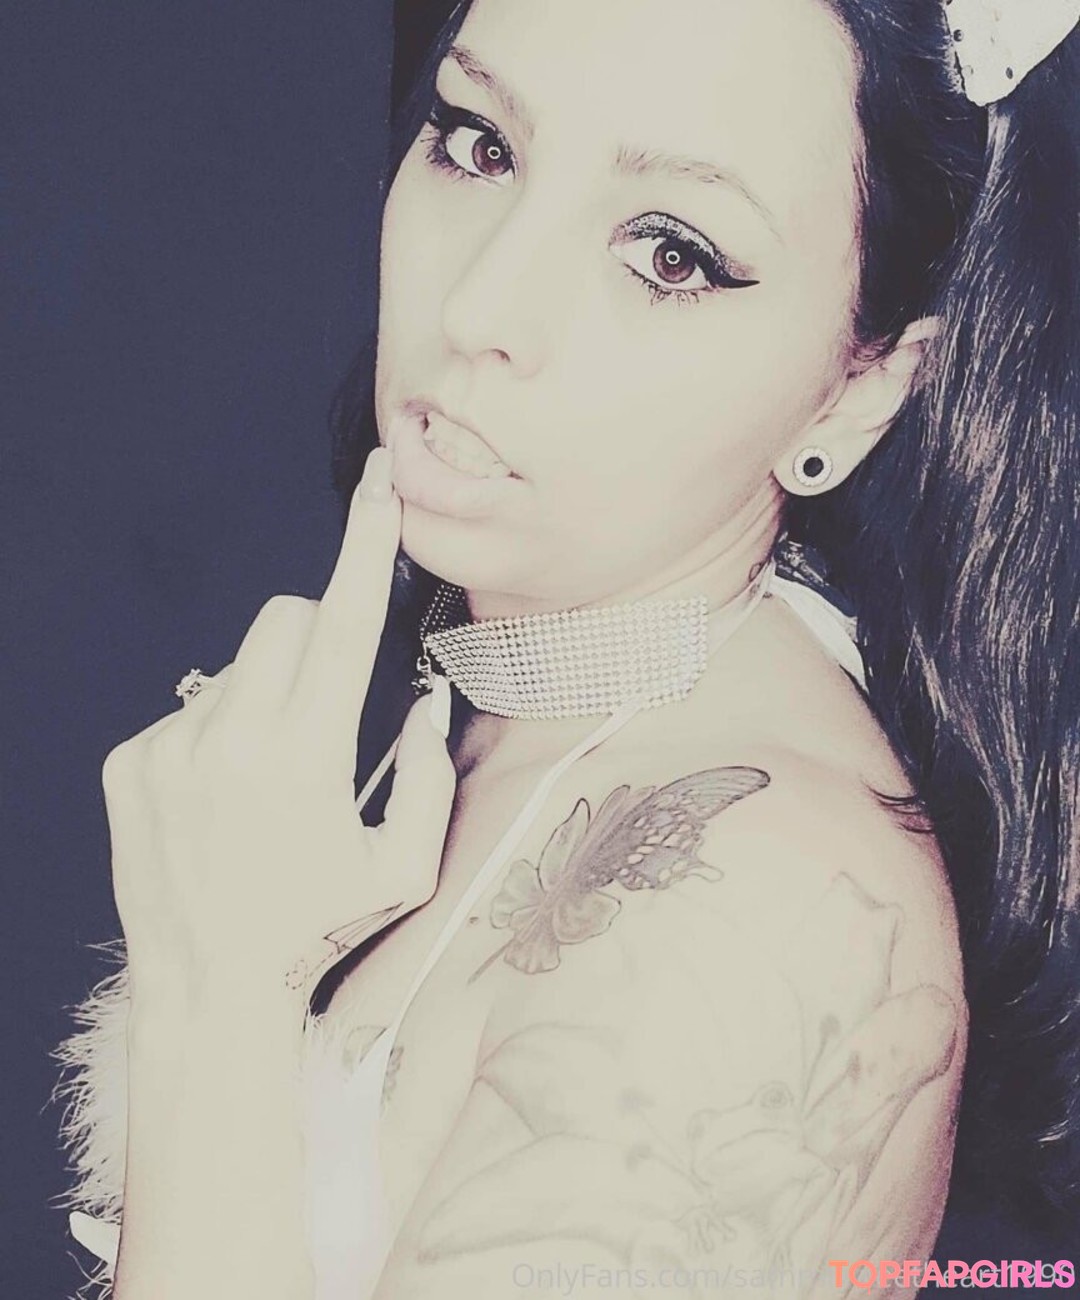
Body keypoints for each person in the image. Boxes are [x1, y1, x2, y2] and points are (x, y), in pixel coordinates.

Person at [50, 1, 1080, 1297]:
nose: (481, 303)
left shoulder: (763, 916)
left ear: (862, 388)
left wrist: (217, 992)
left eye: (670, 253)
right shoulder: (510, 688)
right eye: (479, 145)